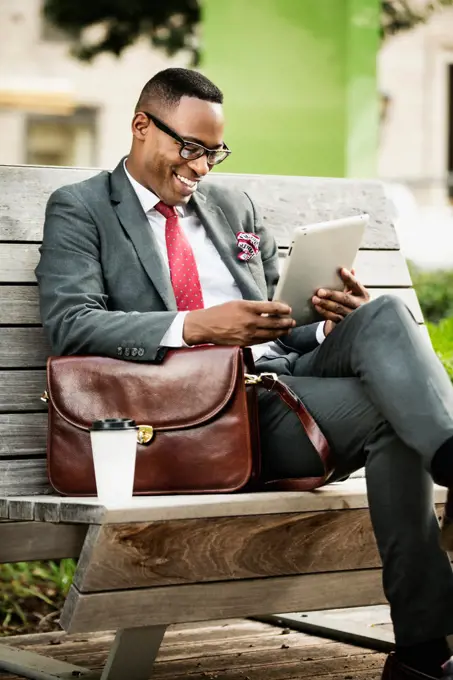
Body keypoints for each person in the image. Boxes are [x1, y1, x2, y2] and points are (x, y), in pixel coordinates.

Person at [35, 67, 453, 680]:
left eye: (214, 152)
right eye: (191, 148)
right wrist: (197, 326)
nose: (203, 167)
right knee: (396, 420)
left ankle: (424, 640)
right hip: (194, 413)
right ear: (141, 126)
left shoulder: (234, 206)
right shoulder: (82, 208)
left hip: (275, 382)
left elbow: (277, 328)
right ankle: (424, 650)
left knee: (380, 312)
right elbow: (71, 323)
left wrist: (324, 322)